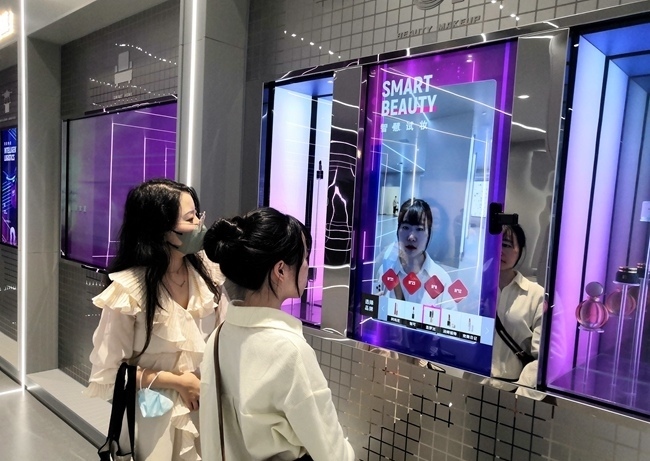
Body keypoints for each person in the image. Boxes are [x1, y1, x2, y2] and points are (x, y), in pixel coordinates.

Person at [84, 178, 228, 461]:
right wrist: (178, 382)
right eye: (190, 218)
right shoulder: (129, 290)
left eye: (198, 215)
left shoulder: (208, 275)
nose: (199, 225)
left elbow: (223, 338)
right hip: (152, 418)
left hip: (206, 410)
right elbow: (112, 372)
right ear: (161, 229)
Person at [199, 207, 355, 461]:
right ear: (280, 270)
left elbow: (212, 437)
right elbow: (333, 454)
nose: (307, 267)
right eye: (304, 257)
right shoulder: (290, 351)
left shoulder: (218, 337)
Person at [492, 223, 545, 399]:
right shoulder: (475, 288)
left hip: (515, 391)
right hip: (472, 384)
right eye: (494, 242)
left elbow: (542, 357)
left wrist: (521, 397)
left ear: (520, 250)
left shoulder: (535, 294)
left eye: (506, 245)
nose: (499, 250)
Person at [375, 198, 454, 309]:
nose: (411, 237)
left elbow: (450, 317)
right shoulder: (385, 271)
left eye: (419, 229)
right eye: (406, 227)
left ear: (429, 233)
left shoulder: (442, 279)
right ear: (398, 230)